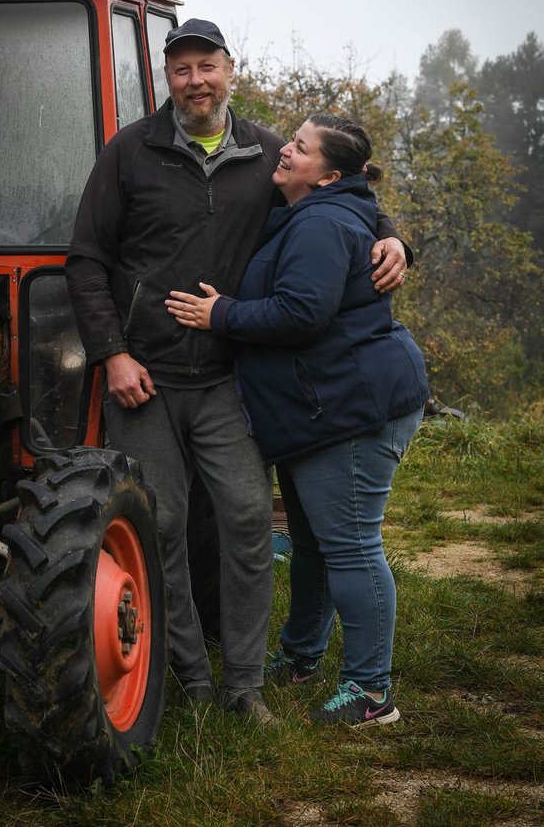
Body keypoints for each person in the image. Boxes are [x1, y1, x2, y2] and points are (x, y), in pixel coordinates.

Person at [65, 19, 409, 723]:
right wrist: (112, 353)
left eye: (207, 66)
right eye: (181, 69)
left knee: (250, 521)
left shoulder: (265, 153)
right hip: (146, 377)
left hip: (228, 377)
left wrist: (394, 237)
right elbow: (87, 259)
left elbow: (341, 193)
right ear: (168, 79)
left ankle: (245, 686)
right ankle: (190, 674)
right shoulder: (130, 152)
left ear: (230, 69)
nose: (195, 81)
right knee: (161, 527)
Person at [166, 113, 429, 727]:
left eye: (301, 148)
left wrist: (221, 315)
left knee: (352, 544)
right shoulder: (313, 209)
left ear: (329, 174)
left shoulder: (321, 222)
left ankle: (370, 691)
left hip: (355, 408)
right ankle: (303, 655)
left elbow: (302, 313)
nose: (285, 150)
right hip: (326, 406)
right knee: (312, 541)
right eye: (292, 139)